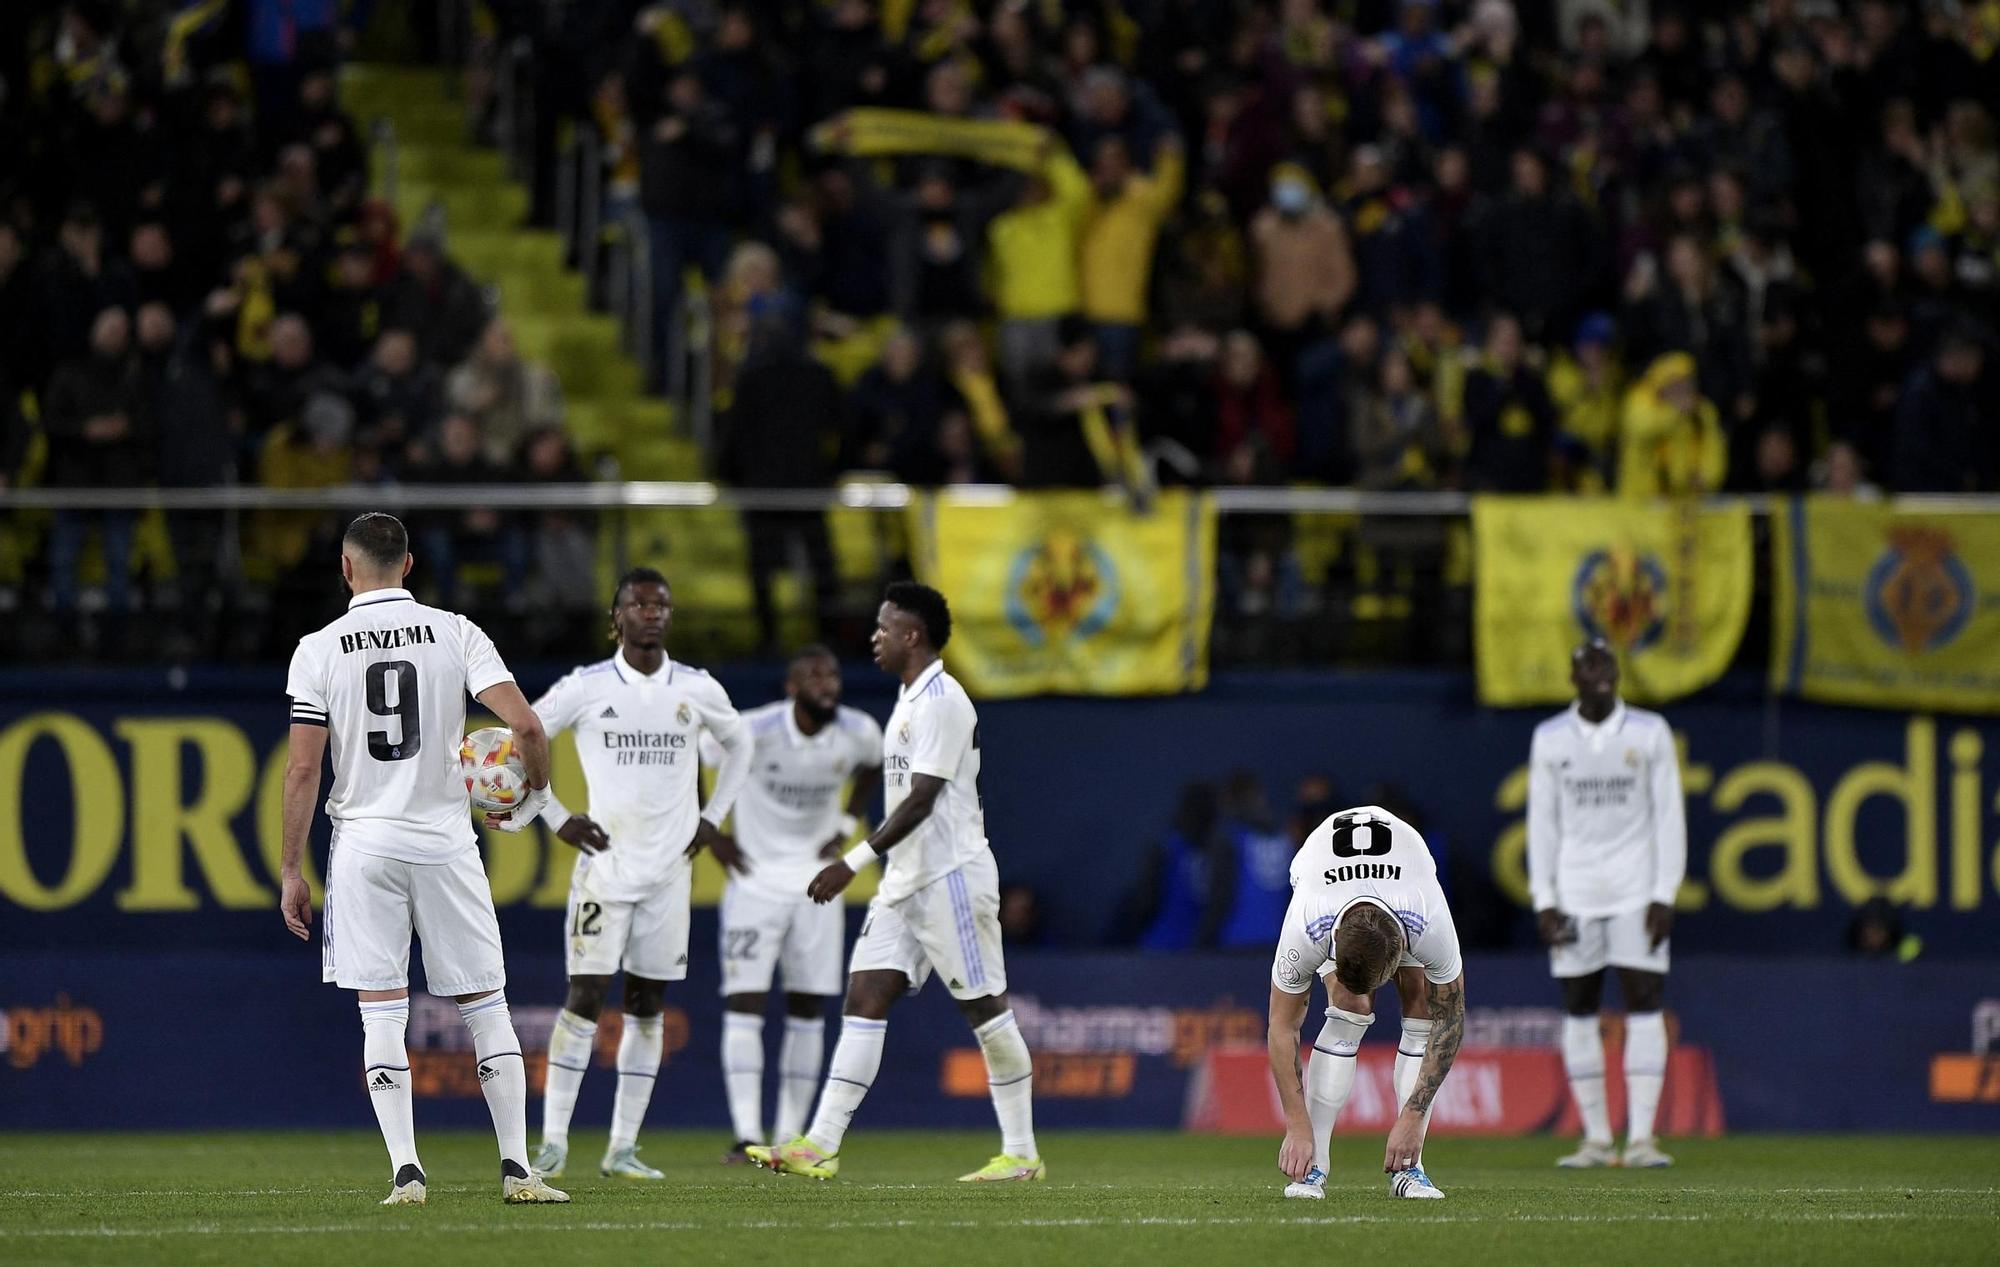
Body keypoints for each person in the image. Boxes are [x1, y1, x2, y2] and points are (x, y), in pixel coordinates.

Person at [276, 512, 569, 1205]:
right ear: (408, 565)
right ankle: (517, 1170)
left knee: (382, 1013)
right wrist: (530, 801)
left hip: (365, 844)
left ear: (348, 569)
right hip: (444, 841)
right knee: (487, 1007)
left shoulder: (317, 648)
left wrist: (292, 867)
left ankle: (407, 1171)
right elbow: (526, 724)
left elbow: (301, 769)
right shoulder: (455, 630)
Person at [749, 583, 1043, 1183]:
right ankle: (820, 1144)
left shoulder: (943, 701)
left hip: (950, 878)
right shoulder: (909, 698)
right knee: (864, 996)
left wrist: (850, 863)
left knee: (984, 1010)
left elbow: (924, 800)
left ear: (913, 635)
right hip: (906, 882)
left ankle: (1021, 1153)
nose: (874, 638)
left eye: (884, 628)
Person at [528, 567, 752, 1181]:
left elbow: (742, 746)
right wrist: (553, 816)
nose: (652, 613)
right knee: (585, 997)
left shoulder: (697, 688)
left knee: (648, 1004)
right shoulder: (585, 686)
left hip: (669, 876)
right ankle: (552, 1143)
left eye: (661, 604)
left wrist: (713, 818)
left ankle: (622, 1147)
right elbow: (523, 736)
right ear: (617, 615)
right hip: (604, 872)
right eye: (639, 604)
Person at [709, 646, 883, 1162]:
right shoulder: (754, 729)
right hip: (754, 883)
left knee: (808, 1005)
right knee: (746, 1002)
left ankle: (787, 1137)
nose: (827, 683)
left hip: (817, 885)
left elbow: (872, 767)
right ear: (791, 686)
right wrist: (711, 829)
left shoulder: (858, 730)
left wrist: (848, 826)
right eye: (814, 676)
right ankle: (745, 1134)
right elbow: (696, 755)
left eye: (832, 674)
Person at [1527, 640, 1687, 1170]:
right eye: (1587, 666)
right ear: (1572, 676)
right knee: (1579, 1005)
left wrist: (1665, 891)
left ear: (1617, 674)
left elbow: (1668, 815)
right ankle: (1596, 1138)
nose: (1598, 673)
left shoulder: (1649, 732)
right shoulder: (1551, 739)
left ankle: (1641, 1139)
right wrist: (1545, 898)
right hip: (1575, 891)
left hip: (1636, 890)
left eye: (1606, 665)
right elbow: (1542, 822)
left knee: (1645, 999)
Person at [1268, 805, 1464, 1203]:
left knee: (1422, 1004)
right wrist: (1296, 1124)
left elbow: (1451, 1019)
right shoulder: (1308, 925)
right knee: (1350, 1005)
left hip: (1406, 874)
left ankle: (1411, 1168)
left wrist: (1413, 1116)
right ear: (1335, 940)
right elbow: (1282, 1025)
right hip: (1322, 870)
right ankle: (1314, 1165)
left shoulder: (1428, 922)